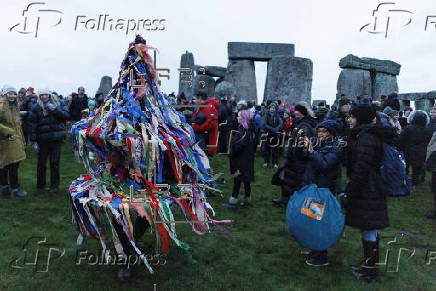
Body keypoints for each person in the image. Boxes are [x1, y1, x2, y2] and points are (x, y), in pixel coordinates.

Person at [345, 104, 397, 283]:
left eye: (352, 116)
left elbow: (361, 168)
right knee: (369, 229)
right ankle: (368, 268)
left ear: (361, 118)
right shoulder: (368, 134)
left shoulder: (366, 137)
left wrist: (349, 191)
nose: (348, 119)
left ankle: (369, 272)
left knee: (369, 229)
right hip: (370, 188)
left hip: (368, 189)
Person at [302, 119, 342, 267]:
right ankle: (314, 249)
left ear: (332, 133)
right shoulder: (323, 145)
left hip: (323, 190)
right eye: (319, 131)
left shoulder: (335, 148)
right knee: (311, 220)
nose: (320, 134)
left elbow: (324, 165)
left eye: (324, 131)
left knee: (319, 223)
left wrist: (312, 151)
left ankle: (321, 257)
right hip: (313, 187)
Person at [272, 102, 316, 206]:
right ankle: (285, 199)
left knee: (294, 181)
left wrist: (295, 152)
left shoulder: (305, 126)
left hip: (298, 159)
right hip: (293, 158)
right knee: (286, 178)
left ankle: (291, 202)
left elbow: (304, 144)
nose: (294, 112)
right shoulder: (299, 123)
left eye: (297, 111)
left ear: (302, 112)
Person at [28, 88, 70, 192]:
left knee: (54, 163)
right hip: (42, 140)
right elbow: (32, 124)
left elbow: (65, 116)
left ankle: (54, 186)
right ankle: (41, 186)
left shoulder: (59, 104)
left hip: (56, 139)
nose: (44, 97)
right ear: (39, 96)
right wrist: (33, 140)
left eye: (46, 94)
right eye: (42, 95)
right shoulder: (36, 108)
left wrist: (55, 109)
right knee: (41, 163)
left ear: (50, 95)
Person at [222, 110, 256, 209]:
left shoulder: (243, 132)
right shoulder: (250, 130)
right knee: (246, 181)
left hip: (241, 160)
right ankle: (247, 201)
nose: (237, 118)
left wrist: (231, 152)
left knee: (238, 180)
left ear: (243, 118)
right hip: (248, 159)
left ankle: (233, 201)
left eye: (239, 116)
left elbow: (237, 147)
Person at [0, 86, 27, 197]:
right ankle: (9, 188)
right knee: (6, 165)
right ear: (5, 94)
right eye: (9, 93)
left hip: (15, 140)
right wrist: (8, 131)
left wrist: (22, 140)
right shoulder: (1, 106)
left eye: (14, 94)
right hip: (6, 140)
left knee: (12, 165)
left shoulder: (14, 107)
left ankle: (9, 188)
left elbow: (18, 126)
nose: (12, 96)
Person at [400, 110, 433, 186]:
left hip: (408, 150)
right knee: (417, 169)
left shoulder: (408, 128)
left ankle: (405, 180)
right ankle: (416, 182)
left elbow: (402, 140)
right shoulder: (428, 130)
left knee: (406, 167)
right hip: (422, 151)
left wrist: (400, 148)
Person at [191, 92, 219, 156]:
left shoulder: (209, 108)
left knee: (203, 157)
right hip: (201, 137)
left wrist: (196, 127)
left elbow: (211, 125)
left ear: (200, 98)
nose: (195, 101)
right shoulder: (203, 107)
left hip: (205, 139)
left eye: (196, 99)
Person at [262, 102, 283, 168]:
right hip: (268, 133)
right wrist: (271, 128)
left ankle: (275, 163)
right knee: (267, 148)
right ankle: (266, 161)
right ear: (269, 108)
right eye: (271, 108)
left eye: (273, 108)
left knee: (275, 149)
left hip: (275, 134)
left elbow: (280, 123)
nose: (272, 109)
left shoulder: (278, 115)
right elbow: (264, 124)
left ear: (275, 109)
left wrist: (277, 128)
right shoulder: (266, 115)